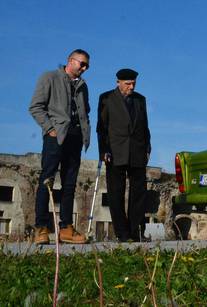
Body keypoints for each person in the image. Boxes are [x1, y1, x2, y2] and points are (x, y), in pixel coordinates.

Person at [29, 49, 91, 244]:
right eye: (81, 63)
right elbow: (35, 107)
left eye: (87, 65)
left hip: (75, 138)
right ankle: (41, 228)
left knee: (70, 184)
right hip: (55, 137)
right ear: (70, 61)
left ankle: (66, 228)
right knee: (47, 180)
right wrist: (50, 129)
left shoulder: (83, 86)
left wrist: (84, 134)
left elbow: (85, 112)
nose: (84, 68)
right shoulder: (50, 77)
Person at [97, 68, 151, 242]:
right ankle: (122, 233)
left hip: (137, 152)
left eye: (134, 83)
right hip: (115, 152)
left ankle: (136, 232)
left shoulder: (140, 100)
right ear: (118, 82)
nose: (131, 87)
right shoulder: (106, 98)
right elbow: (102, 128)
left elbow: (145, 126)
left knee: (139, 193)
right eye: (128, 84)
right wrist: (103, 150)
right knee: (116, 193)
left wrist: (147, 148)